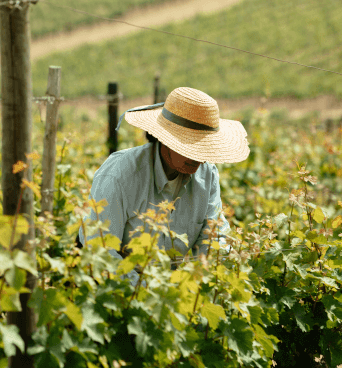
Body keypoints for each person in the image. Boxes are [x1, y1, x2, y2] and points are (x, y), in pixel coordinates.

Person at [78, 87, 250, 283]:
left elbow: (213, 239)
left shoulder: (207, 175)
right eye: (191, 146)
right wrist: (146, 293)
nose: (200, 158)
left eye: (204, 148)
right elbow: (100, 252)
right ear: (165, 139)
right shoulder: (120, 175)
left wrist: (196, 283)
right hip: (116, 291)